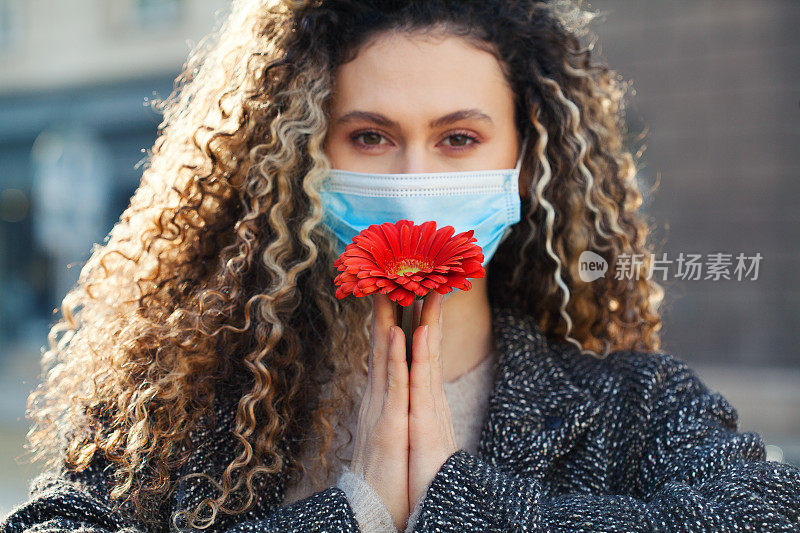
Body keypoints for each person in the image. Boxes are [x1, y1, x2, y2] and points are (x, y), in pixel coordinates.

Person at [3, 0, 799, 532]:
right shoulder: (192, 410)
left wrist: (466, 501)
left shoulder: (634, 404)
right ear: (307, 159)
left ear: (524, 164)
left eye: (459, 139)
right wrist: (353, 510)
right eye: (371, 137)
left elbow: (766, 512)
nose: (414, 181)